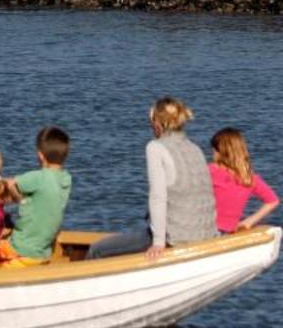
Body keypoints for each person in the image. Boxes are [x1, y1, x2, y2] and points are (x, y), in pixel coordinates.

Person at [86, 97, 217, 261]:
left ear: (158, 122)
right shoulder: (195, 148)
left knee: (96, 250)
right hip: (206, 234)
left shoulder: (156, 147)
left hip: (175, 236)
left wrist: (158, 242)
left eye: (151, 121)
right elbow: (207, 194)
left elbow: (158, 197)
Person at [0, 125, 72, 266]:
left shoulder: (38, 178)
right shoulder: (66, 180)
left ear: (40, 155)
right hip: (43, 253)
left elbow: (9, 184)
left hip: (20, 250)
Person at [207, 127, 280, 233]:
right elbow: (273, 201)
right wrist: (249, 222)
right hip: (230, 231)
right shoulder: (248, 178)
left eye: (213, 150)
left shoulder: (210, 171)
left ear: (219, 151)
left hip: (207, 230)